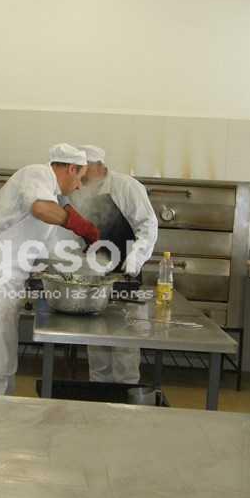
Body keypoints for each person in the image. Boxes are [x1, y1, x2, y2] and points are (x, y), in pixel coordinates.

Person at [0, 144, 100, 395]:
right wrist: (80, 225)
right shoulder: (36, 173)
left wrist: (91, 257)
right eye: (80, 178)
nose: (79, 186)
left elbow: (54, 249)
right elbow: (40, 209)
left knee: (2, 361)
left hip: (8, 284)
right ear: (71, 169)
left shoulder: (52, 197)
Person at [75, 145, 159, 384]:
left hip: (125, 272)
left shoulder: (127, 187)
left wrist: (135, 258)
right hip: (95, 274)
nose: (81, 178)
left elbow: (148, 225)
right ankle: (99, 389)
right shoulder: (80, 191)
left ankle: (126, 393)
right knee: (96, 337)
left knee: (125, 341)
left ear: (99, 167)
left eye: (84, 171)